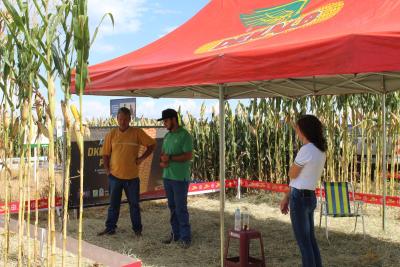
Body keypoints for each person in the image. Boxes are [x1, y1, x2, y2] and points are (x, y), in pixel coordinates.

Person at [98, 107, 156, 236]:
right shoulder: (112, 134)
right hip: (115, 177)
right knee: (113, 206)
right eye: (120, 119)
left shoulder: (137, 132)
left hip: (132, 178)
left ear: (130, 119)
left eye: (125, 119)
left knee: (134, 206)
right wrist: (107, 170)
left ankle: (137, 230)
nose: (123, 121)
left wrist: (142, 158)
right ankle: (110, 228)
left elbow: (152, 145)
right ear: (117, 119)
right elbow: (105, 154)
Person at [280, 115, 327, 267]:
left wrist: (289, 196)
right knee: (310, 242)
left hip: (299, 198)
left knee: (304, 244)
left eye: (298, 130)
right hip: (309, 196)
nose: (297, 133)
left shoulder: (306, 150)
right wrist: (287, 197)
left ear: (305, 131)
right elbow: (298, 179)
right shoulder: (320, 151)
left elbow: (292, 174)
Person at [158, 108, 193, 249]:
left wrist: (170, 158)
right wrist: (163, 161)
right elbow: (162, 155)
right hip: (167, 177)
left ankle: (186, 237)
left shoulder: (185, 135)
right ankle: (175, 234)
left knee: (180, 208)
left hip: (180, 178)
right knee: (172, 207)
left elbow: (188, 155)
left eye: (166, 121)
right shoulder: (167, 137)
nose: (164, 124)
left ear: (174, 119)